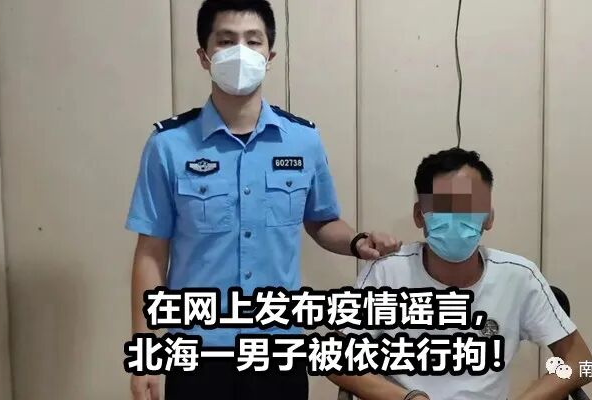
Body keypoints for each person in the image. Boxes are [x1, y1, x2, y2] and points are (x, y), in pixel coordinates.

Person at [125, 1, 400, 399]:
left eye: (253, 41)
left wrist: (357, 241)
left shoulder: (303, 140)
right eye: (226, 41)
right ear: (204, 56)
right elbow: (151, 253)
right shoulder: (168, 145)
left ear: (270, 57)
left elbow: (322, 221)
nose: (240, 52)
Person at [328, 148, 592, 400]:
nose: (455, 217)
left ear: (489, 217)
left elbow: (580, 361)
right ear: (420, 215)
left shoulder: (519, 277)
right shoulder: (387, 272)